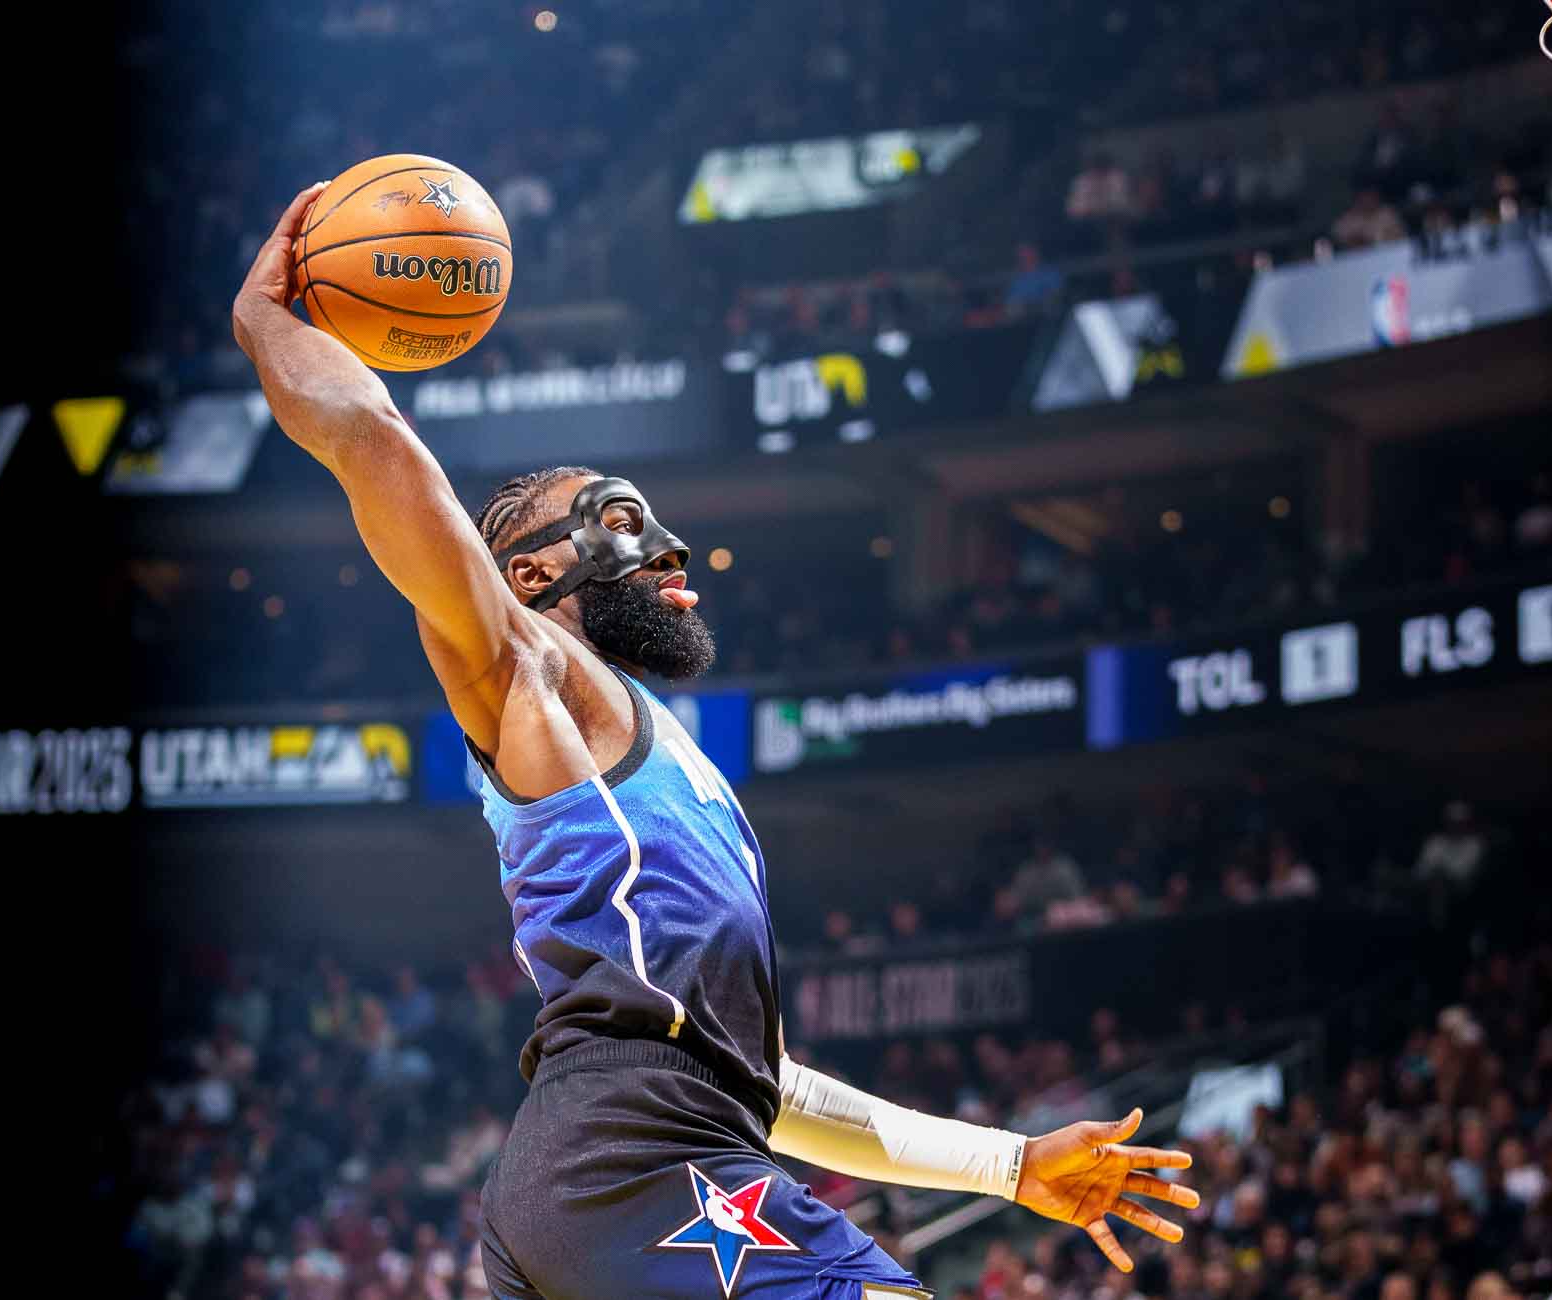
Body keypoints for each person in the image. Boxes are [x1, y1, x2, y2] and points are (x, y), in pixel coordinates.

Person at [232, 183, 1197, 1300]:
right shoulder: (533, 672)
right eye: (621, 518)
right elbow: (379, 446)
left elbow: (767, 1087)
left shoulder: (675, 770)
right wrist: (267, 324)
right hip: (629, 1155)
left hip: (653, 1156)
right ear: (534, 575)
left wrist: (1012, 1163)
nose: (671, 544)